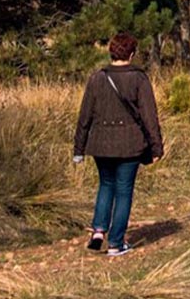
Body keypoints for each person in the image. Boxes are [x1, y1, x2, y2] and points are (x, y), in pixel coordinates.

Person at [72, 32, 164, 257]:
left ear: (111, 52)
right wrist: (156, 147)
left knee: (106, 185)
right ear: (131, 54)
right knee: (123, 191)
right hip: (129, 145)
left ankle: (98, 231)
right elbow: (149, 116)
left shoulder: (97, 78)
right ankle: (115, 243)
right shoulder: (138, 78)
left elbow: (85, 116)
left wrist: (79, 149)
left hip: (100, 144)